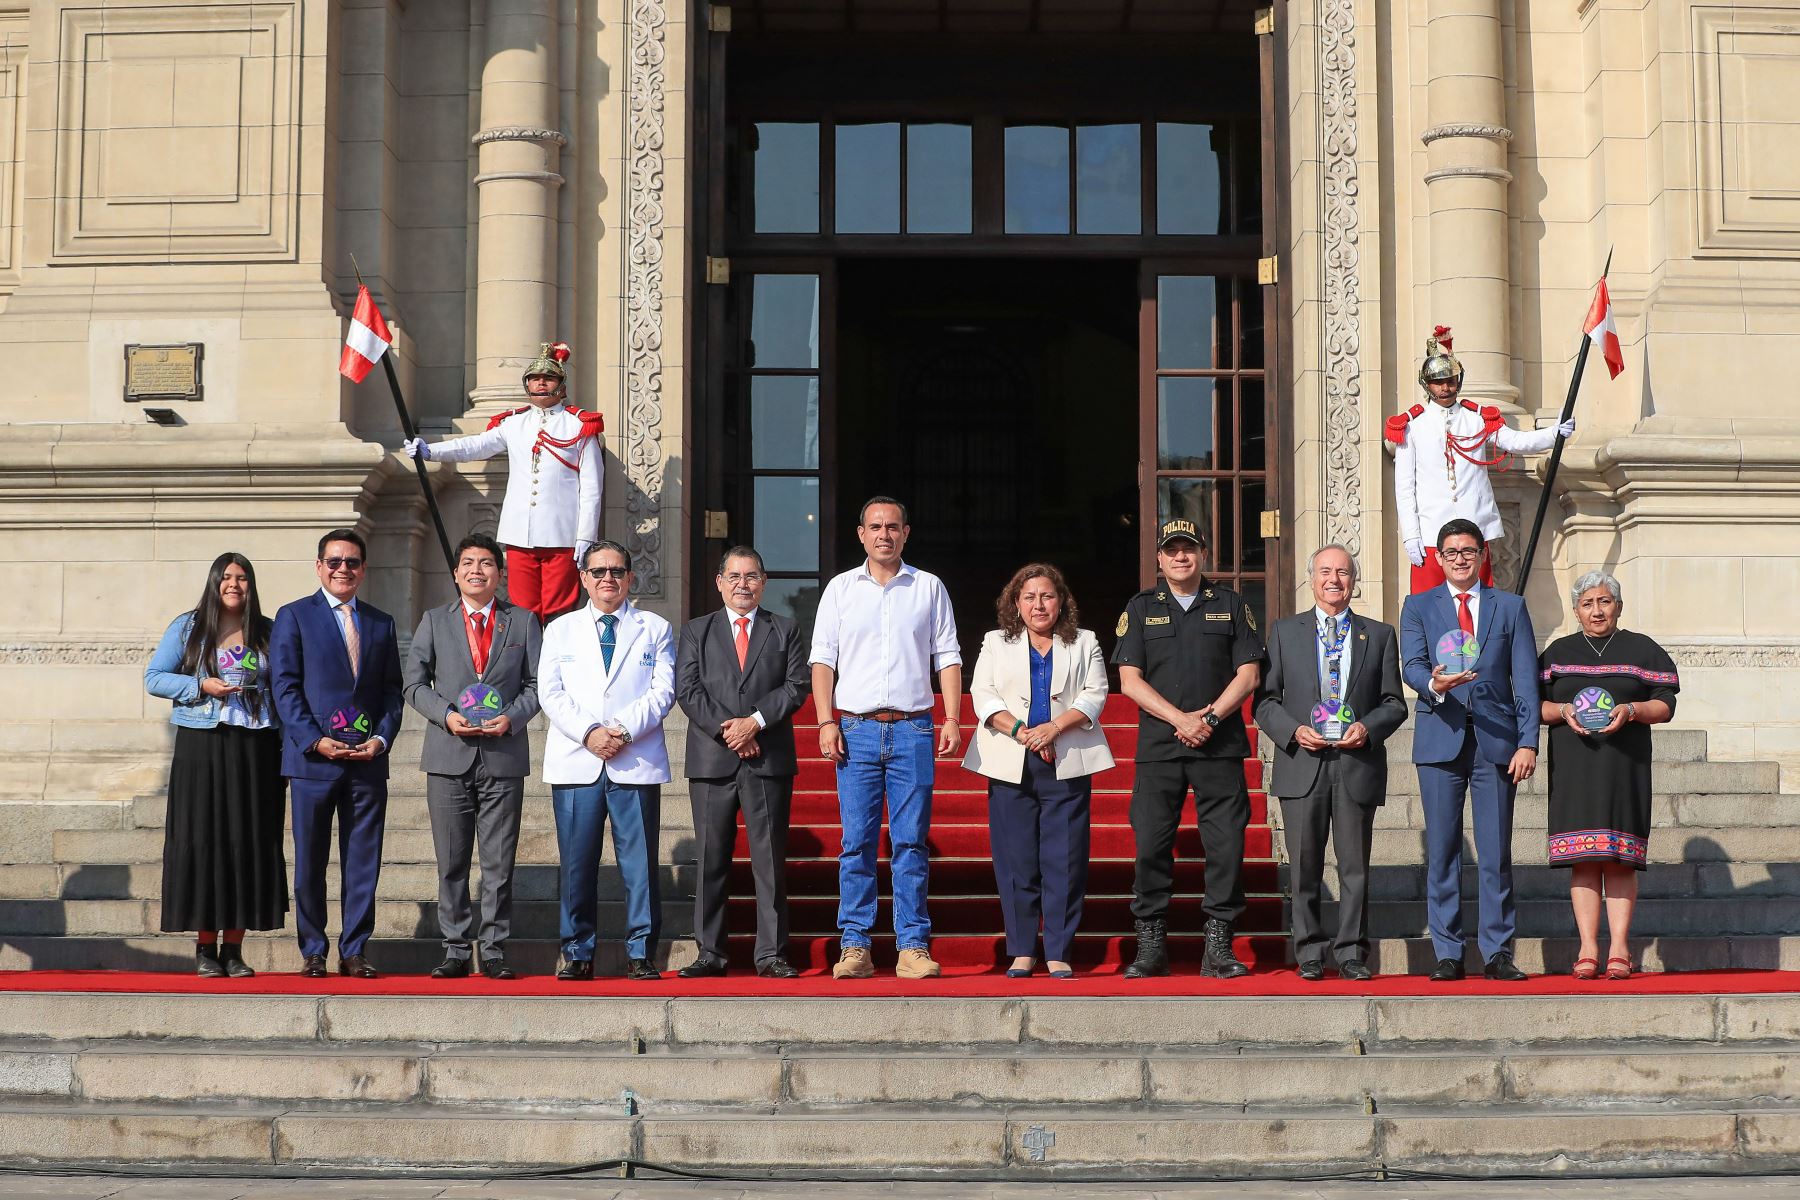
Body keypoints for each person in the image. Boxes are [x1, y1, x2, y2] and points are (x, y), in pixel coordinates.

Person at [810, 496, 962, 981]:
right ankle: (855, 945)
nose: (883, 534)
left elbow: (948, 656)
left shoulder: (929, 587)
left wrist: (954, 718)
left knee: (911, 843)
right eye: (875, 526)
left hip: (914, 727)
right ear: (861, 534)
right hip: (855, 728)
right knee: (855, 843)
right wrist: (824, 721)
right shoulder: (840, 589)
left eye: (892, 526)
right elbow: (822, 661)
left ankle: (912, 945)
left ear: (906, 532)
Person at [1112, 518, 1265, 979]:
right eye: (1172, 550)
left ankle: (1218, 945)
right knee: (1152, 846)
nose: (1181, 557)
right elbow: (1129, 680)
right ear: (1159, 559)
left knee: (1226, 846)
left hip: (1219, 746)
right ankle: (1151, 947)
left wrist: (1210, 718)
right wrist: (1181, 719)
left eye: (1189, 549)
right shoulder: (1140, 609)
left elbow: (1249, 674)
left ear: (1203, 555)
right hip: (1160, 747)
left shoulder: (1232, 605)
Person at [1253, 545, 1407, 981]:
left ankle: (1352, 951)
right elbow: (1264, 702)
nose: (1333, 579)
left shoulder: (1378, 635)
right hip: (1304, 761)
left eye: (1342, 571)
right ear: (1311, 578)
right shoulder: (1285, 632)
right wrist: (1292, 731)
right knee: (1304, 866)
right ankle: (1309, 952)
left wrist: (1369, 727)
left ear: (1354, 580)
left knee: (1355, 868)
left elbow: (1394, 702)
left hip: (1356, 763)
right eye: (1325, 571)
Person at [1399, 517, 1540, 982]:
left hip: (1496, 744)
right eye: (1452, 552)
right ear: (1439, 559)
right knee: (1442, 851)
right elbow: (1412, 665)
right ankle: (1448, 952)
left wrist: (1528, 741)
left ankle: (1497, 951)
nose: (1460, 559)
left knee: (1496, 850)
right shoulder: (1418, 605)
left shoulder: (1510, 607)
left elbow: (1525, 679)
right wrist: (1433, 684)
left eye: (1469, 551)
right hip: (1441, 738)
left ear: (1483, 556)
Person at [403, 533, 543, 981]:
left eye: (486, 563)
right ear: (456, 573)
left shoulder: (522, 622)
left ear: (499, 574)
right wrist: (445, 716)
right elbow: (414, 684)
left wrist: (513, 718)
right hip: (449, 755)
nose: (476, 570)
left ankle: (495, 948)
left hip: (502, 754)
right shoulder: (434, 620)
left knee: (499, 862)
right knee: (452, 859)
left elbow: (537, 685)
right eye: (468, 563)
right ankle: (456, 948)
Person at [963, 563, 1113, 979]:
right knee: (1015, 860)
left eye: (1047, 596)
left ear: (1061, 601)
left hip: (1067, 760)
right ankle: (1023, 950)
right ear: (1016, 603)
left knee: (1065, 859)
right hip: (1011, 760)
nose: (1038, 604)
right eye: (1029, 597)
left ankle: (1060, 949)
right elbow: (982, 694)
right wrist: (1022, 731)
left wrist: (1053, 729)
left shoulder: (1084, 642)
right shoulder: (996, 642)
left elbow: (1095, 693)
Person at [143, 553, 287, 977]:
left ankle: (235, 949)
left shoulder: (268, 630)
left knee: (248, 841)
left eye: (242, 578)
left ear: (251, 585)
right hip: (201, 743)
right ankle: (206, 947)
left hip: (254, 744)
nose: (234, 584)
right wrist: (199, 685)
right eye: (226, 577)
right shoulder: (188, 626)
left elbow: (285, 683)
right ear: (213, 582)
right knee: (203, 840)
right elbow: (154, 677)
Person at [270, 529, 405, 979]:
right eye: (334, 562)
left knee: (363, 859)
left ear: (363, 569)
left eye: (351, 562)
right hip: (313, 761)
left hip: (367, 762)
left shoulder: (381, 622)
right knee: (310, 859)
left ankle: (354, 949)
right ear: (319, 567)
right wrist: (314, 739)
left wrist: (381, 739)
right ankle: (313, 949)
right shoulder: (293, 616)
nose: (342, 569)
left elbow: (391, 692)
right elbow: (284, 686)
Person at [539, 540, 675, 981]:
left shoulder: (654, 627)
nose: (607, 579)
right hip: (578, 760)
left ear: (630, 577)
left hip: (633, 759)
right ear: (584, 578)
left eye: (617, 571)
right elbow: (551, 693)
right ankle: (578, 952)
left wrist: (619, 730)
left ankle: (640, 952)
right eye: (598, 572)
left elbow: (663, 691)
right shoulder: (560, 630)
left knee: (639, 863)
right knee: (577, 863)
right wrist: (589, 733)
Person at [675, 546, 811, 979]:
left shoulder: (784, 629)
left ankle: (771, 954)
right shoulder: (697, 630)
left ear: (764, 582)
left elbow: (796, 687)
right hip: (713, 760)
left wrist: (753, 723)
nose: (742, 584)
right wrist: (731, 731)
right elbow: (688, 689)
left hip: (767, 759)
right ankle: (710, 953)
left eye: (751, 576)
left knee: (768, 862)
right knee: (712, 860)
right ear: (719, 582)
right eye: (733, 577)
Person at [1537, 571, 1679, 981]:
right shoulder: (1557, 653)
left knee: (1619, 861)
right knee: (1583, 860)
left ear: (1618, 606)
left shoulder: (1642, 648)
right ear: (1576, 609)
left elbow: (1665, 705)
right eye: (1588, 603)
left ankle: (1619, 946)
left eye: (1604, 602)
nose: (1596, 610)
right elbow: (1536, 708)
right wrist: (1563, 711)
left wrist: (1631, 710)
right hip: (1574, 767)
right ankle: (1587, 947)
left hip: (1624, 765)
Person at [403, 342, 603, 622]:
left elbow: (592, 489)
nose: (541, 383)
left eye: (548, 378)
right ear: (527, 385)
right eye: (535, 378)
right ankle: (527, 664)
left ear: (561, 385)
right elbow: (476, 446)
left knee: (560, 611)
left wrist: (585, 537)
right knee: (523, 610)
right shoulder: (515, 423)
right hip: (521, 532)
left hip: (563, 533)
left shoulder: (581, 426)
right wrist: (431, 450)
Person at [1388, 325, 1575, 593]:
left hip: (1474, 531)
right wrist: (1411, 535)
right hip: (1431, 533)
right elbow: (1404, 487)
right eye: (1438, 382)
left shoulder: (1476, 418)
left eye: (1450, 380)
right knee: (1428, 611)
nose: (1445, 388)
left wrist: (1554, 433)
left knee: (1478, 607)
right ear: (1427, 385)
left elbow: (1515, 442)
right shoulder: (1411, 425)